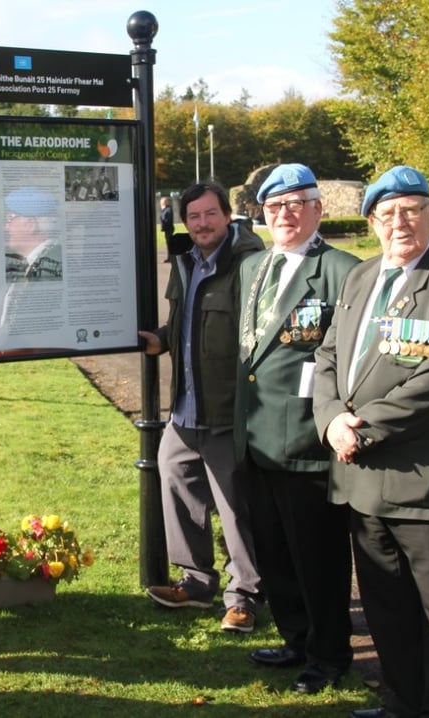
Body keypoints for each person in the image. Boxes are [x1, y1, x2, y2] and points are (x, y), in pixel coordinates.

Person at [313, 165, 429, 718]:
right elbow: (327, 356)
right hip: (363, 481)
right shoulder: (361, 277)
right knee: (386, 609)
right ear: (372, 221)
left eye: (411, 210)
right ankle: (401, 704)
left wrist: (359, 428)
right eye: (387, 213)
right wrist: (330, 419)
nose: (400, 222)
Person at [235, 164, 359, 694]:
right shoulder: (253, 266)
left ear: (316, 209)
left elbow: (350, 361)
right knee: (274, 553)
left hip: (306, 439)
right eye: (273, 207)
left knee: (318, 559)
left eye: (294, 205)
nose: (283, 215)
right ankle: (296, 639)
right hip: (255, 435)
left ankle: (329, 655)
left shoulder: (343, 271)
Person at [139, 181, 265, 632]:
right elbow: (185, 324)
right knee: (175, 479)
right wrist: (162, 339)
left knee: (235, 506)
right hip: (186, 409)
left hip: (226, 412)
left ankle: (245, 596)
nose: (202, 224)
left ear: (227, 216)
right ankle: (196, 581)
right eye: (193, 216)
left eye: (211, 214)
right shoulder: (185, 260)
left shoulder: (248, 264)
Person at [159, 196, 174, 262]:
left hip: (168, 229)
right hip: (167, 229)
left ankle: (171, 258)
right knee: (169, 244)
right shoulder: (166, 209)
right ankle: (170, 258)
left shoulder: (168, 210)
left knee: (169, 244)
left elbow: (166, 219)